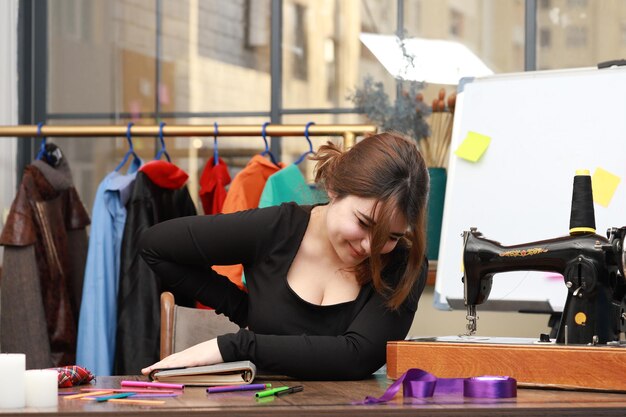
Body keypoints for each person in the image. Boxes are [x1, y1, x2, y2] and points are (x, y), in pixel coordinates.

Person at [138, 131, 429, 380]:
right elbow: (155, 246)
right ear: (334, 188)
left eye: (391, 236)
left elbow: (357, 357)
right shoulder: (274, 230)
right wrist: (241, 308)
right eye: (364, 224)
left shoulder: (403, 264)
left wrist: (238, 346)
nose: (370, 247)